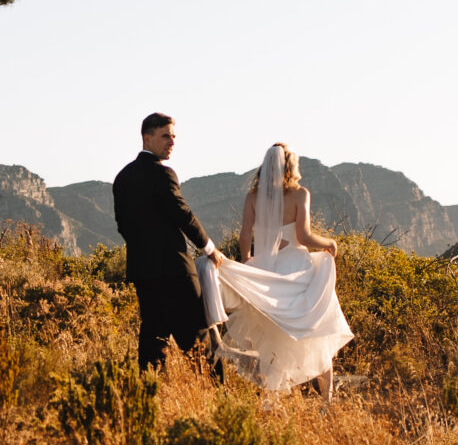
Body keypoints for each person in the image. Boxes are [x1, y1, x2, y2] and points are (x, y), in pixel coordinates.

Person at [214, 142, 353, 398]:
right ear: (291, 166)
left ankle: (272, 400)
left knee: (273, 340)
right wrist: (330, 243)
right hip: (298, 270)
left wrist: (247, 262)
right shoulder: (300, 194)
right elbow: (304, 235)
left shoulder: (253, 197)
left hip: (268, 273)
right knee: (318, 334)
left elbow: (245, 234)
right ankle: (327, 400)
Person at [111, 112, 220, 368]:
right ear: (146, 138)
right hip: (175, 271)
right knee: (200, 338)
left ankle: (148, 396)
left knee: (153, 340)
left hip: (143, 273)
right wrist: (209, 247)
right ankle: (219, 396)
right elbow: (183, 214)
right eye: (165, 136)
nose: (171, 142)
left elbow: (122, 225)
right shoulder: (163, 174)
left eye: (173, 136)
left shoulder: (122, 178)